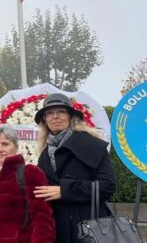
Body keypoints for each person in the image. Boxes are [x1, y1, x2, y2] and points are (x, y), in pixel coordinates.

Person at [33, 93, 116, 243]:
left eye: (61, 111)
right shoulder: (44, 156)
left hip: (90, 230)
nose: (55, 116)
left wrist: (65, 190)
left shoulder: (92, 145)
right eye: (49, 113)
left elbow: (107, 185)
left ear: (71, 116)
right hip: (58, 231)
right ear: (45, 119)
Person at [0, 125, 55, 243]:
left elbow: (42, 218)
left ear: (16, 146)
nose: (0, 149)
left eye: (5, 144)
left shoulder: (30, 172)